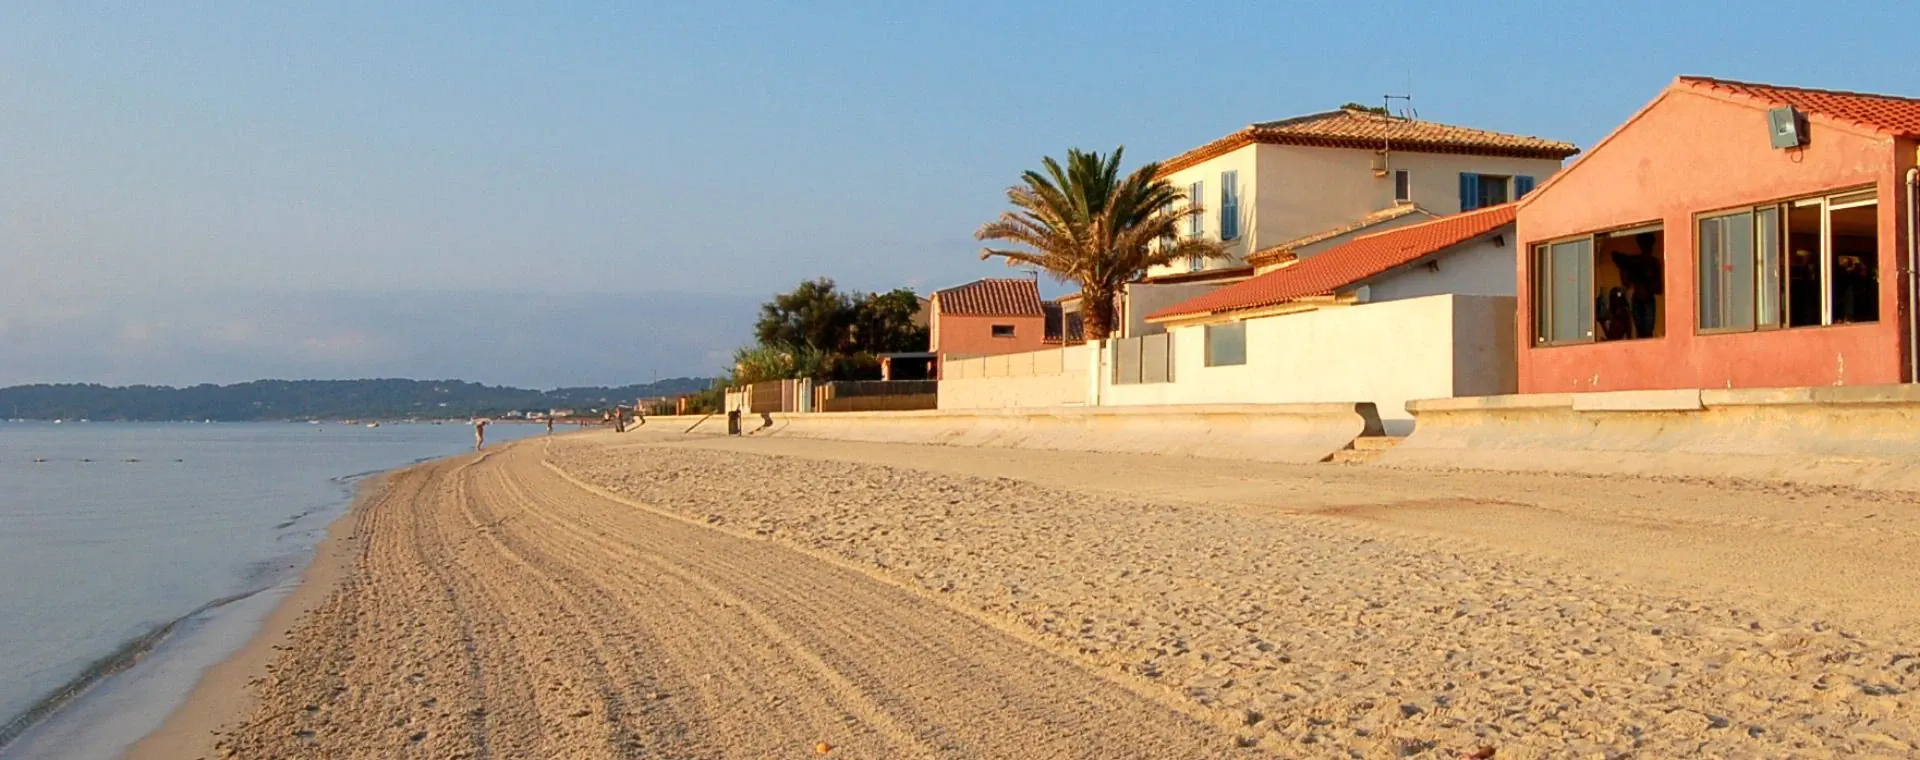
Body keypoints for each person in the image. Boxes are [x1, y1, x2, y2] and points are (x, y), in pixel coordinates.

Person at [1611, 232, 1663, 339]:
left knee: (1646, 332)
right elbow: (1617, 258)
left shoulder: (1651, 263)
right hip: (1640, 299)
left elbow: (1659, 288)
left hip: (1646, 299)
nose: (1646, 248)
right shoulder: (1638, 261)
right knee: (1642, 332)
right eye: (1644, 245)